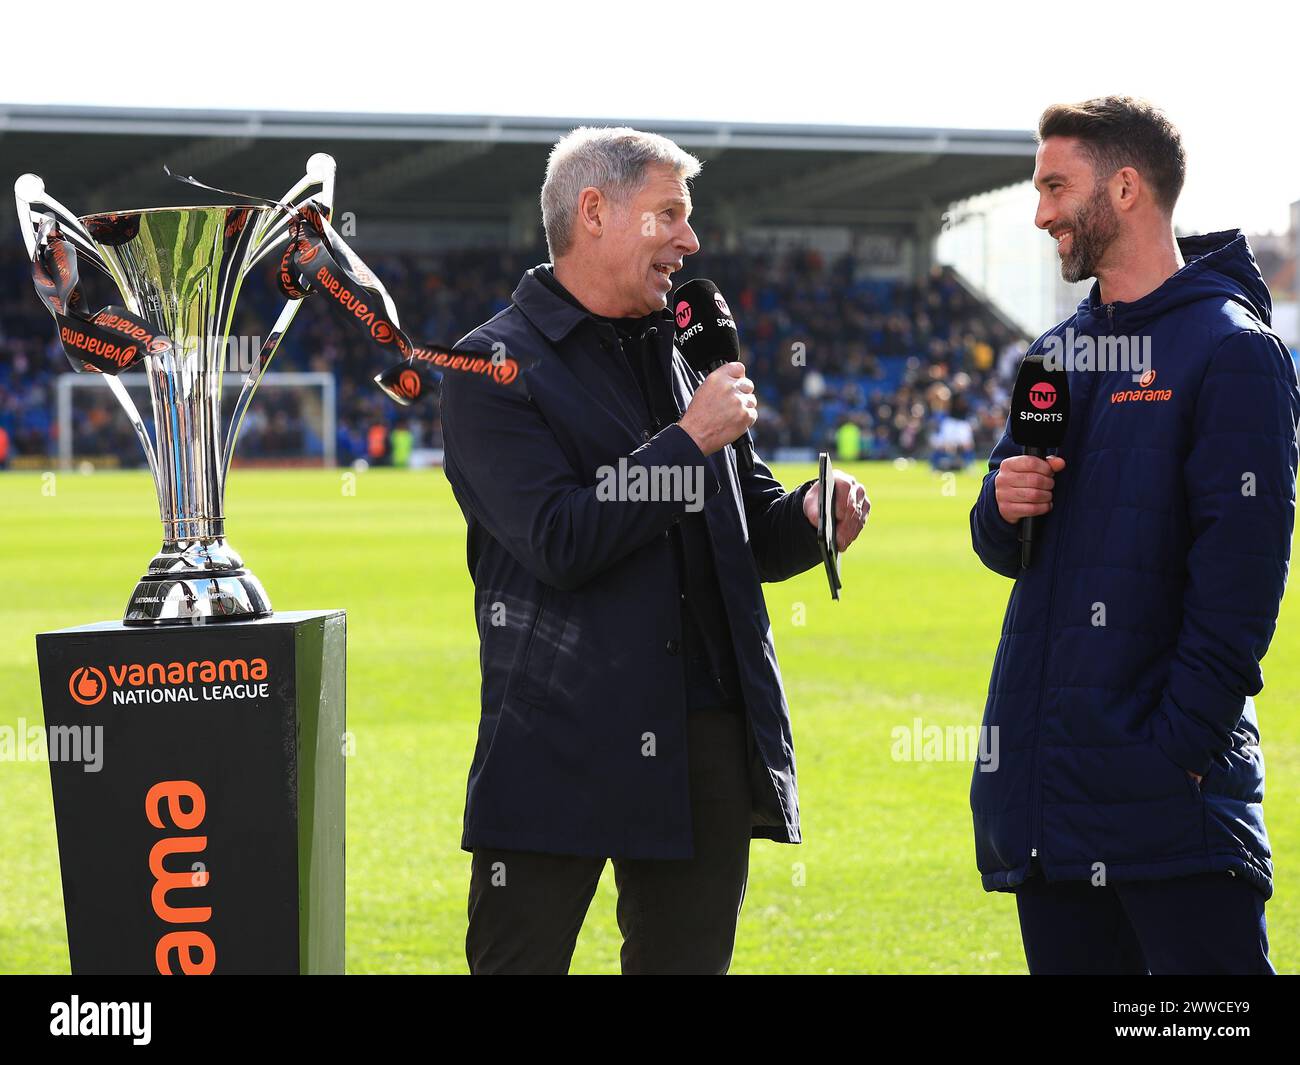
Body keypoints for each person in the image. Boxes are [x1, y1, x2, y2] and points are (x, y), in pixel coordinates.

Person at [439, 127, 869, 974]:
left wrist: (812, 515)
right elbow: (560, 540)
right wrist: (689, 440)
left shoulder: (687, 350)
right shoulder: (490, 363)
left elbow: (746, 520)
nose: (691, 240)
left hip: (700, 740)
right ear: (593, 213)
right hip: (557, 736)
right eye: (668, 214)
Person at [969, 96, 1300, 974]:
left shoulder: (1231, 350)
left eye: (1054, 186)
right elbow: (1001, 544)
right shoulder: (1056, 353)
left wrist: (1176, 755)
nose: (1039, 212)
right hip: (1049, 803)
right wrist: (1005, 503)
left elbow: (1242, 584)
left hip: (1170, 810)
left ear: (1124, 188)